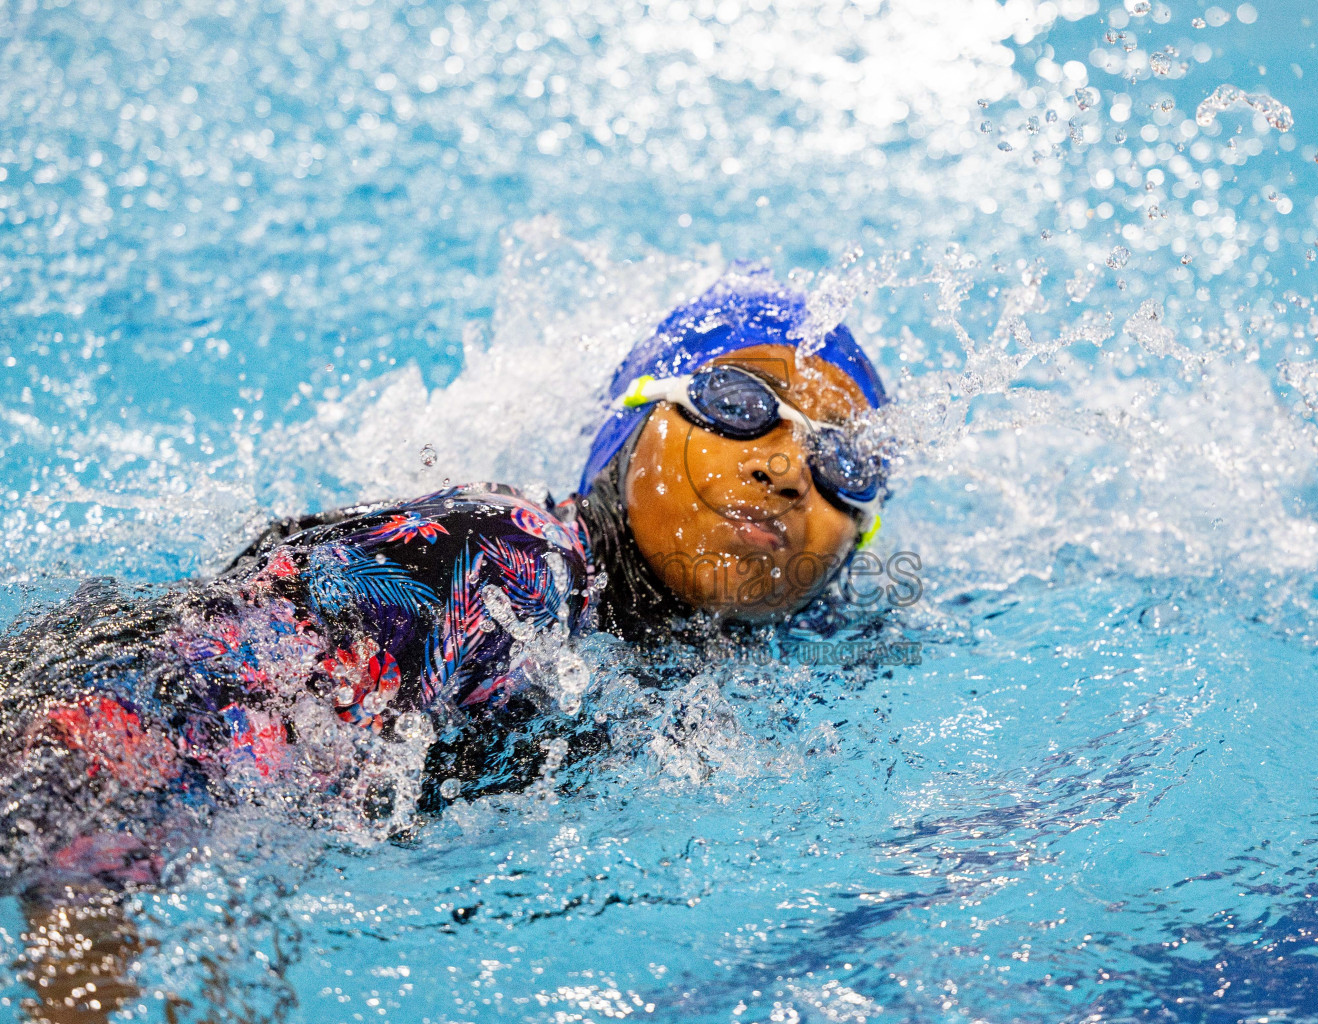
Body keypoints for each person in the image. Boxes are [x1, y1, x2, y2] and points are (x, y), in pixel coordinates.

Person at [0, 263, 890, 1022]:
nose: (783, 468)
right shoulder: (503, 564)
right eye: (739, 404)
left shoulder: (717, 667)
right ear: (633, 421)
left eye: (846, 463)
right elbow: (95, 752)